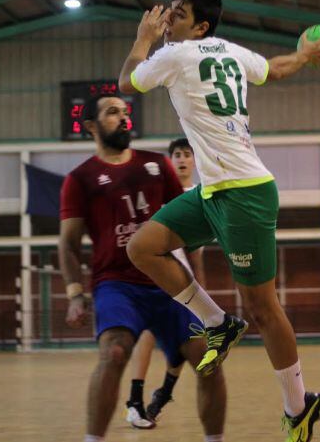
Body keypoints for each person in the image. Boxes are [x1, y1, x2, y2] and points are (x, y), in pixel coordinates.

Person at [118, 0, 320, 442]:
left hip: (245, 193)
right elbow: (272, 70)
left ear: (199, 27)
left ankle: (299, 408)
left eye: (177, 14)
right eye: (168, 11)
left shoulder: (173, 55)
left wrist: (143, 37)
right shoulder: (231, 51)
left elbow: (126, 82)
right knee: (144, 248)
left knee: (264, 307)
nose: (167, 19)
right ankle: (219, 322)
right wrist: (302, 56)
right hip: (213, 190)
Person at [57, 92, 227, 442]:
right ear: (91, 126)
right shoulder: (80, 179)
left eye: (124, 111)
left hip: (168, 283)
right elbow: (68, 244)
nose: (122, 117)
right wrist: (75, 294)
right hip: (116, 285)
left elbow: (187, 226)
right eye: (111, 112)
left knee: (209, 362)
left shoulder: (156, 166)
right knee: (115, 351)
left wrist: (199, 282)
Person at [126, 137, 206, 427]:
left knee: (187, 345)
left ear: (195, 161)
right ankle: (135, 399)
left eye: (187, 154)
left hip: (184, 278)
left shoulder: (201, 194)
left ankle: (163, 393)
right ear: (170, 161)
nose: (182, 159)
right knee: (148, 331)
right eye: (177, 155)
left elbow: (196, 251)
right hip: (157, 273)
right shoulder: (160, 193)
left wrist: (201, 289)